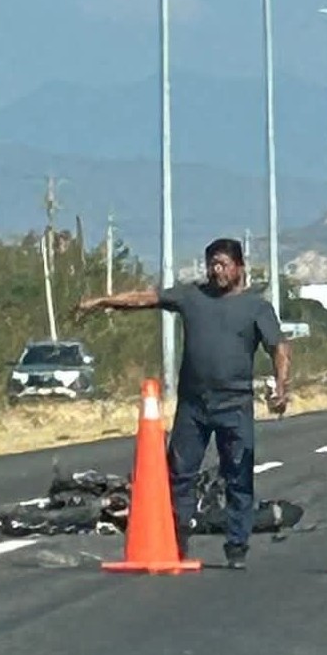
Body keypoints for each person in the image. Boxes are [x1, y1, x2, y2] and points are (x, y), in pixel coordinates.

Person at [74, 238, 290, 570]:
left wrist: (281, 387)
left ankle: (236, 546)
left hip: (235, 405)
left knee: (238, 475)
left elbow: (278, 348)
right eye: (211, 264)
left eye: (223, 264)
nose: (216, 271)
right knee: (179, 474)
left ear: (239, 267)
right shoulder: (192, 296)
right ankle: (177, 537)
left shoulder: (256, 308)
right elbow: (147, 298)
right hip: (193, 405)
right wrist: (105, 300)